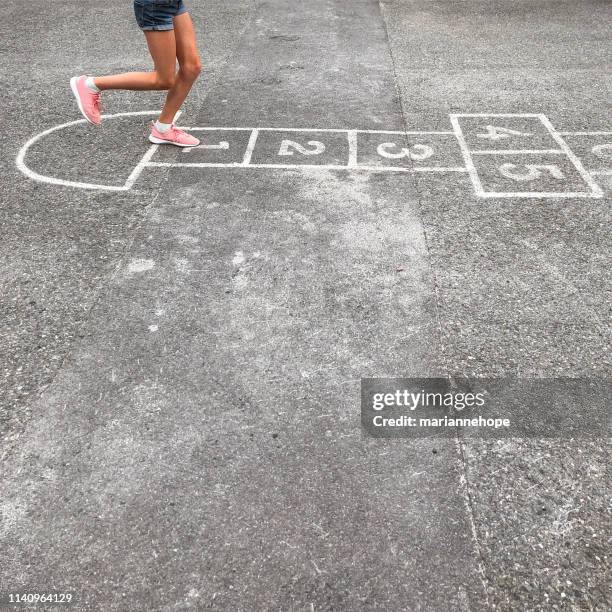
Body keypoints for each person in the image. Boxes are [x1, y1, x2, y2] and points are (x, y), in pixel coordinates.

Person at [71, 0, 201, 148]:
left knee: (191, 67)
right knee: (163, 80)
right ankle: (91, 84)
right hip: (155, 6)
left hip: (172, 3)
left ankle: (163, 129)